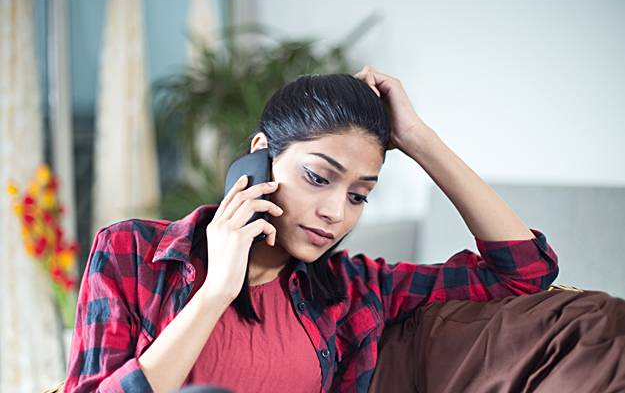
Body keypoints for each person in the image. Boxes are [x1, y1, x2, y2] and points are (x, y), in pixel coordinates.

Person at [65, 66, 558, 393]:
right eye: (317, 178)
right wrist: (216, 292)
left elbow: (523, 272)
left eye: (358, 195)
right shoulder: (132, 253)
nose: (335, 213)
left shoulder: (356, 290)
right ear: (261, 156)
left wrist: (419, 140)